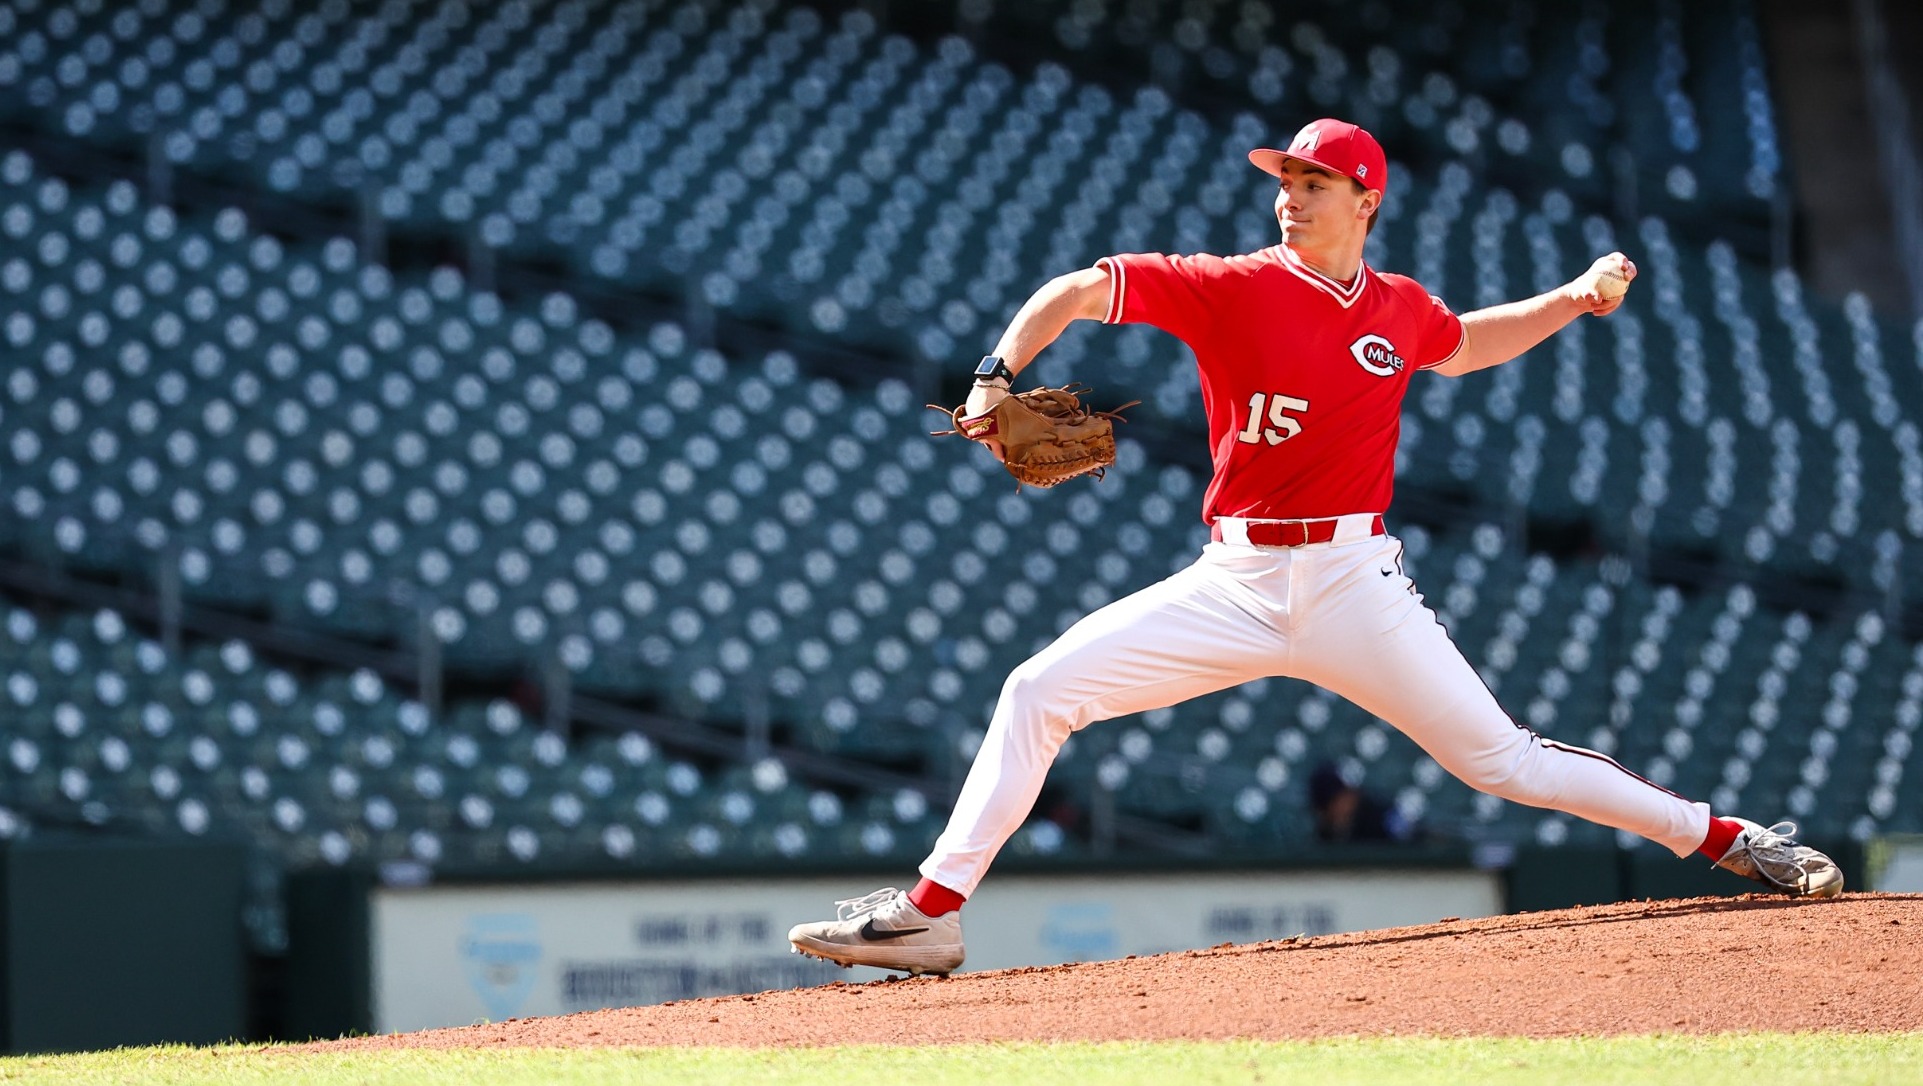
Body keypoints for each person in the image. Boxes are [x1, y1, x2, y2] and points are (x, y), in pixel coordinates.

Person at [787, 118, 1842, 977]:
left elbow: (1466, 345)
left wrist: (1570, 300)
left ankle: (1727, 837)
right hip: (1234, 579)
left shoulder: (1397, 310)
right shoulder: (1230, 285)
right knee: (1036, 690)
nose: (1290, 194)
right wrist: (995, 373)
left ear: (1367, 199)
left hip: (1353, 582)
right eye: (1285, 178)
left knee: (1503, 761)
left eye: (1316, 181)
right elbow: (1074, 290)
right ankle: (931, 914)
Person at [1308, 761, 1413, 844]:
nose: (1350, 799)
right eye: (1341, 797)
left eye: (1350, 793)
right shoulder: (1323, 834)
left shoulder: (1378, 817)